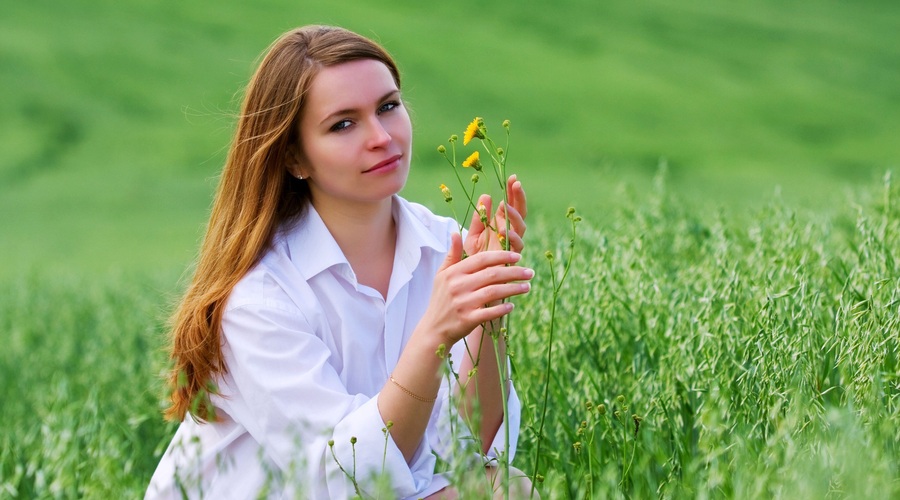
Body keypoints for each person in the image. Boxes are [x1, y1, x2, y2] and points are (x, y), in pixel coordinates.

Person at [146, 25, 533, 499]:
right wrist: (434, 332)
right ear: (295, 158)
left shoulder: (443, 244)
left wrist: (485, 314)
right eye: (343, 124)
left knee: (502, 486)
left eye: (388, 107)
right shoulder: (259, 295)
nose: (381, 137)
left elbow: (468, 451)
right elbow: (349, 476)